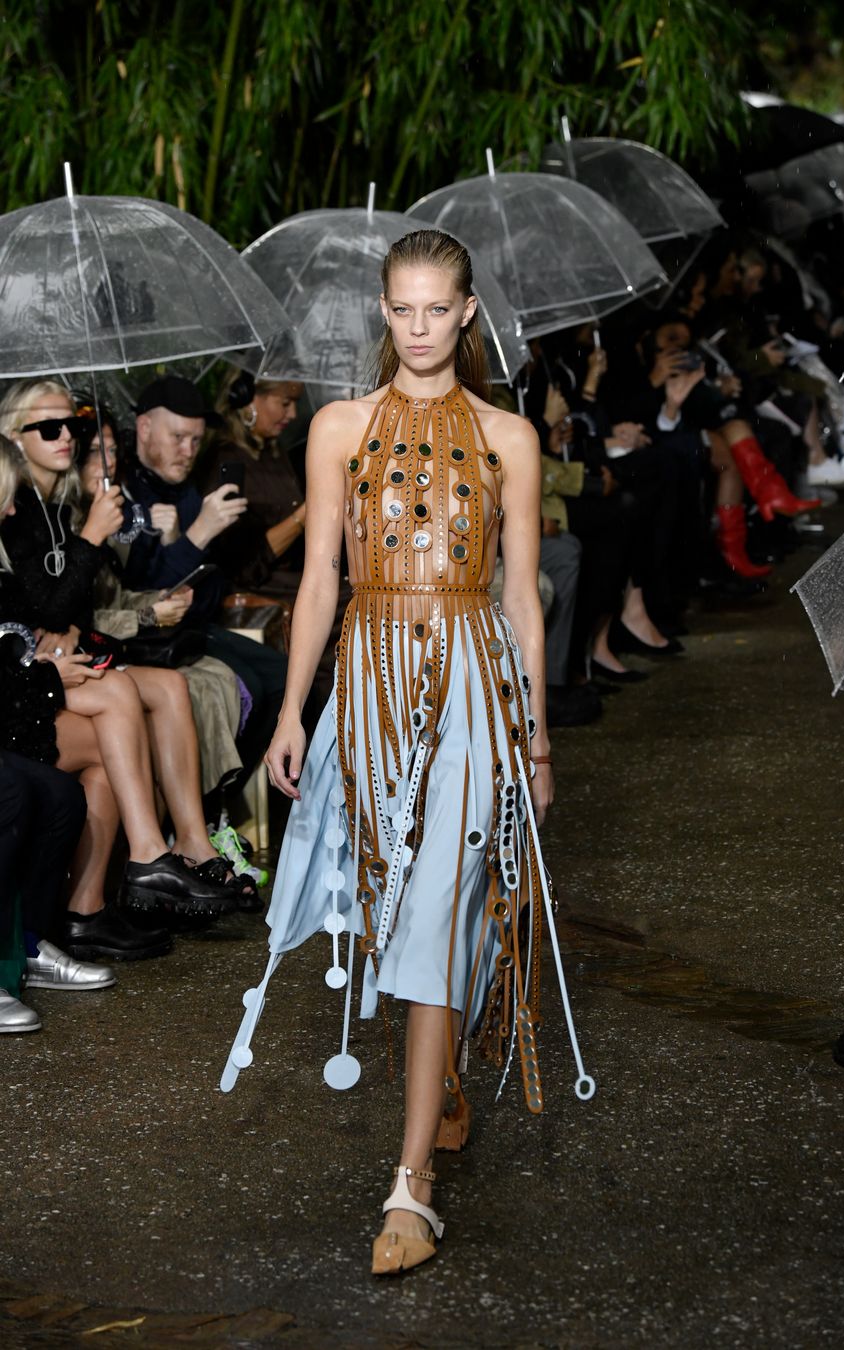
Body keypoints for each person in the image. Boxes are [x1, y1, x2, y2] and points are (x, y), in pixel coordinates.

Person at [221, 229, 592, 1274]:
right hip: (371, 681)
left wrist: (537, 738)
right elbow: (319, 581)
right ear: (383, 312)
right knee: (395, 905)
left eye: (439, 309)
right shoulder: (339, 427)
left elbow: (524, 600)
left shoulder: (508, 436)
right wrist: (292, 714)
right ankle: (445, 1070)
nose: (420, 328)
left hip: (474, 682)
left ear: (468, 312)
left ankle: (411, 1185)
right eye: (403, 309)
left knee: (439, 903)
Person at [0, 386, 238, 934]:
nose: (68, 438)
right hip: (27, 683)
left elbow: (73, 609)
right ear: (14, 436)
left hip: (50, 665)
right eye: (51, 428)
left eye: (75, 428)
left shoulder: (55, 504)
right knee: (118, 702)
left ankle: (189, 844)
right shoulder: (21, 510)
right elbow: (45, 608)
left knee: (170, 687)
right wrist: (91, 538)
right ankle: (140, 863)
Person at [122, 375, 288, 789]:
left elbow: (210, 588)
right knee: (251, 685)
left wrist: (186, 540)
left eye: (196, 440)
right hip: (143, 638)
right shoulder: (124, 493)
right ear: (144, 428)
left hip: (194, 627)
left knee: (284, 679)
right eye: (178, 437)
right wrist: (197, 535)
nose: (188, 451)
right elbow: (142, 595)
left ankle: (222, 801)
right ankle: (209, 805)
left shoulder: (184, 491)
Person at [202, 369, 307, 597]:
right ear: (248, 399)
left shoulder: (275, 452)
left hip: (294, 579)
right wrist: (303, 516)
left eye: (296, 403)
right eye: (285, 403)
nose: (293, 414)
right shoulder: (226, 460)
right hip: (261, 594)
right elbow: (242, 564)